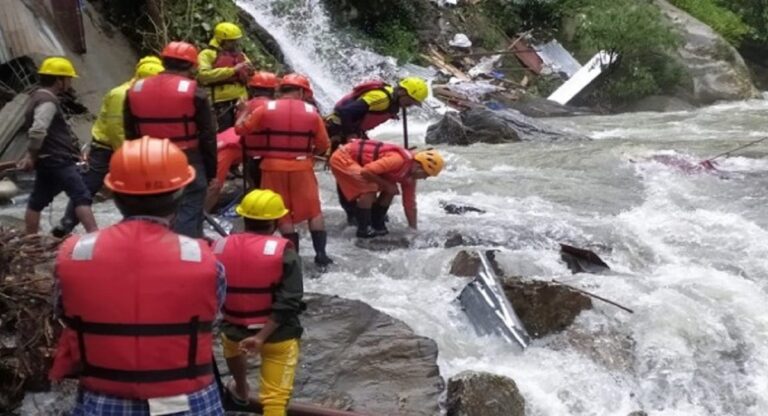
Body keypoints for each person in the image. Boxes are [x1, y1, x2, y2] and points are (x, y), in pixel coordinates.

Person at [49, 136, 224, 415]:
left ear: (115, 195)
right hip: (188, 402)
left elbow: (61, 309)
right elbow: (211, 314)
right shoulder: (205, 258)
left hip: (102, 400)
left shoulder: (74, 252)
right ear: (180, 193)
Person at [213, 189, 303, 414]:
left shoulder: (219, 246)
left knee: (229, 341)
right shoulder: (284, 252)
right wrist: (260, 337)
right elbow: (290, 299)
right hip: (276, 336)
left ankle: (241, 389)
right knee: (274, 400)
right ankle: (249, 393)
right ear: (274, 221)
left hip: (234, 331)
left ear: (244, 218)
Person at [52, 56, 164, 237]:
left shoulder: (142, 93)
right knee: (87, 188)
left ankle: (139, 229)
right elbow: (116, 129)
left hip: (129, 148)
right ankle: (65, 226)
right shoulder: (121, 95)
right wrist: (129, 156)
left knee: (138, 191)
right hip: (106, 149)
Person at [235, 73, 333, 266]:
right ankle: (321, 255)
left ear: (281, 90)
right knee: (314, 212)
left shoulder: (265, 108)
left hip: (272, 166)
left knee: (283, 213)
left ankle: (292, 258)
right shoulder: (312, 112)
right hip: (302, 166)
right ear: (301, 92)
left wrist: (245, 111)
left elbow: (240, 130)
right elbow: (323, 145)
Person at [124, 41, 217, 238]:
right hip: (186, 156)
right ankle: (184, 251)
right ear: (192, 66)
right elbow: (208, 135)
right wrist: (210, 171)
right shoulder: (195, 92)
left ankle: (151, 247)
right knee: (190, 204)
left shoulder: (134, 89)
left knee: (151, 206)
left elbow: (130, 131)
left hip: (147, 155)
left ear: (164, 61)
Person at [325, 77, 429, 224]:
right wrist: (351, 136)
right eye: (410, 101)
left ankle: (371, 210)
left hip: (354, 130)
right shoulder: (381, 98)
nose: (410, 105)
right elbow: (344, 112)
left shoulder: (393, 101)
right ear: (401, 92)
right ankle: (353, 212)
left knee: (370, 162)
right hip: (338, 130)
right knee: (347, 171)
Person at [18, 57, 97, 235]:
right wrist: (31, 155)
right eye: (68, 79)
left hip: (48, 160)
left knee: (37, 201)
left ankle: (31, 240)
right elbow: (38, 131)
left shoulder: (37, 97)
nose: (70, 83)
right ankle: (94, 237)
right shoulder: (47, 101)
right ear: (59, 80)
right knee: (81, 195)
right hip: (58, 160)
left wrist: (33, 155)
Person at [330, 138, 444, 238]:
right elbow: (366, 171)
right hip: (343, 158)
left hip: (360, 165)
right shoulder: (399, 160)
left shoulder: (410, 177)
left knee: (392, 189)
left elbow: (410, 204)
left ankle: (377, 222)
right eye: (426, 175)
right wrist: (386, 185)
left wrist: (413, 229)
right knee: (371, 188)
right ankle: (363, 229)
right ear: (419, 167)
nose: (424, 178)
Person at [204, 71, 279, 212]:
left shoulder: (245, 105)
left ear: (252, 89)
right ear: (273, 90)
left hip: (231, 143)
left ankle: (201, 217)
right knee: (214, 187)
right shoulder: (274, 106)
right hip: (234, 147)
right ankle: (201, 216)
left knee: (214, 184)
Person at [198, 21, 252, 131]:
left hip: (241, 99)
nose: (235, 43)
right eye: (231, 41)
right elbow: (203, 75)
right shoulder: (207, 54)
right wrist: (232, 70)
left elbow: (250, 73)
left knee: (243, 129)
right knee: (225, 131)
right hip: (221, 102)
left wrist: (251, 71)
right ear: (221, 40)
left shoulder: (240, 55)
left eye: (236, 40)